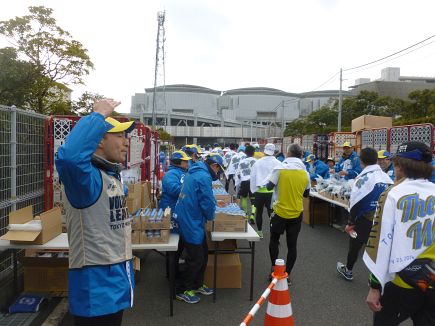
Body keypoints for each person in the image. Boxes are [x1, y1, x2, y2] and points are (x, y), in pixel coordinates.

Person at [56, 99, 135, 325]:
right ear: (100, 139)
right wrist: (97, 115)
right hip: (96, 289)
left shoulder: (109, 175)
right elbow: (69, 159)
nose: (126, 143)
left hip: (115, 285)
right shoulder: (85, 179)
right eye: (119, 136)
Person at [363, 141, 435, 325]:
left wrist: (374, 286)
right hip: (431, 278)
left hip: (402, 282)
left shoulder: (392, 194)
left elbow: (379, 242)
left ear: (401, 166)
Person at [173, 153, 224, 304]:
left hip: (190, 216)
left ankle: (196, 285)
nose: (218, 173)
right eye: (219, 170)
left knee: (203, 254)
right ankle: (183, 290)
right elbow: (207, 201)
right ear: (214, 166)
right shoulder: (203, 176)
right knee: (196, 258)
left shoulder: (197, 171)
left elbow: (204, 196)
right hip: (191, 220)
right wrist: (211, 216)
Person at [336, 147, 393, 281]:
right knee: (379, 249)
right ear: (376, 160)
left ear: (361, 161)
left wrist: (350, 223)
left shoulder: (363, 178)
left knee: (355, 246)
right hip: (383, 219)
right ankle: (378, 279)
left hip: (364, 220)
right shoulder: (386, 177)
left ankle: (348, 270)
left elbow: (355, 202)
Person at [266, 144, 310, 284]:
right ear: (300, 155)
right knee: (292, 245)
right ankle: (287, 274)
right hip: (296, 213)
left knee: (274, 239)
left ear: (289, 153)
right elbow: (306, 193)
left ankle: (274, 269)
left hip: (279, 211)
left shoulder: (280, 169)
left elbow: (269, 186)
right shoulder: (305, 173)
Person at [250, 143, 283, 238]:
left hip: (260, 191)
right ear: (273, 152)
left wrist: (253, 190)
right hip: (272, 192)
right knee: (272, 214)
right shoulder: (278, 163)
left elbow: (253, 177)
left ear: (264, 150)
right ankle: (274, 234)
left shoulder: (258, 162)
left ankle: (260, 232)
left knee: (259, 212)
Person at [159, 150, 192, 227]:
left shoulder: (184, 172)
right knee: (174, 232)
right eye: (185, 161)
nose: (188, 163)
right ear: (178, 162)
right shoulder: (170, 174)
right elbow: (174, 191)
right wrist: (190, 191)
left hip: (179, 209)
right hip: (171, 209)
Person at [235, 145, 257, 224]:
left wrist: (238, 183)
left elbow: (238, 174)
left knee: (244, 198)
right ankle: (252, 215)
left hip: (244, 182)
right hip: (253, 182)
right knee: (253, 200)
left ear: (245, 153)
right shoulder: (256, 161)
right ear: (254, 153)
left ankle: (246, 214)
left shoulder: (241, 162)